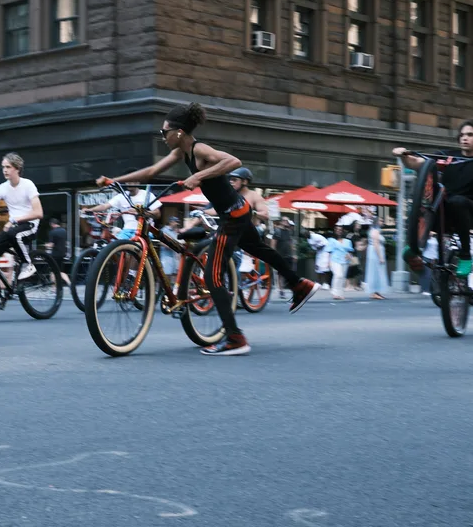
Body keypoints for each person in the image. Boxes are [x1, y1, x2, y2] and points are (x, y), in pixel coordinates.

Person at [95, 102, 319, 356]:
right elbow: (152, 171)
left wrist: (197, 177)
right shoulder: (182, 152)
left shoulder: (199, 149)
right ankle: (299, 284)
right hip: (237, 210)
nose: (162, 136)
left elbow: (233, 161)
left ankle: (235, 339)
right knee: (259, 250)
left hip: (233, 215)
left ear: (178, 132)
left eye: (164, 132)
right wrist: (115, 181)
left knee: (213, 277)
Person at [394, 119, 473, 275]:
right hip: (442, 209)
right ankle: (414, 247)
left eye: (470, 135)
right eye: (462, 135)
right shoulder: (446, 155)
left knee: (458, 201)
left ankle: (465, 256)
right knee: (422, 202)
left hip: (469, 212)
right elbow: (417, 162)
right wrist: (403, 156)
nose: (464, 138)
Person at [326, 227, 354, 301]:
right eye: (337, 230)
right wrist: (328, 262)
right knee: (338, 275)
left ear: (343, 231)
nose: (338, 231)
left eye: (340, 230)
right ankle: (334, 292)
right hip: (334, 260)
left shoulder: (348, 241)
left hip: (345, 260)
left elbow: (350, 251)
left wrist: (350, 256)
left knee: (343, 277)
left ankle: (340, 293)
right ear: (334, 231)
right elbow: (329, 252)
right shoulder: (331, 240)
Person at [272, 218, 297, 299]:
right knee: (281, 274)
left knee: (290, 273)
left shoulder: (289, 232)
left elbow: (291, 243)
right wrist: (273, 255)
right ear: (282, 222)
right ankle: (281, 291)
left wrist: (294, 254)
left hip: (289, 256)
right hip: (281, 256)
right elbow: (273, 244)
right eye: (286, 221)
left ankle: (293, 290)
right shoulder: (277, 231)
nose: (287, 222)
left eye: (288, 221)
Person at [364, 219, 389, 299]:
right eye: (381, 221)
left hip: (374, 252)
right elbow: (376, 244)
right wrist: (380, 257)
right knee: (376, 271)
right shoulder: (375, 231)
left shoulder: (374, 230)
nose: (382, 222)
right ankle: (374, 291)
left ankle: (376, 291)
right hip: (376, 253)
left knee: (376, 271)